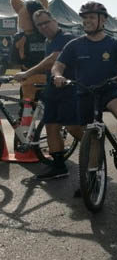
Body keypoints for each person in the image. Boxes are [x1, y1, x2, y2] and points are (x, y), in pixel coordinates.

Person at [52, 1, 117, 171]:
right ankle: (92, 178)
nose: (87, 21)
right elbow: (58, 65)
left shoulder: (114, 43)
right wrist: (58, 75)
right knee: (87, 133)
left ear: (103, 20)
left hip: (109, 90)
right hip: (84, 92)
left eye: (92, 17)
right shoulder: (74, 45)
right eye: (84, 18)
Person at [13, 9, 83, 179]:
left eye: (46, 22)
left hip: (69, 89)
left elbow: (54, 59)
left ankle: (93, 144)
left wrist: (27, 73)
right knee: (51, 127)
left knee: (72, 126)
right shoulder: (47, 42)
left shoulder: (66, 37)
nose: (43, 27)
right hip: (52, 90)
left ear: (55, 21)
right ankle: (59, 166)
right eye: (39, 25)